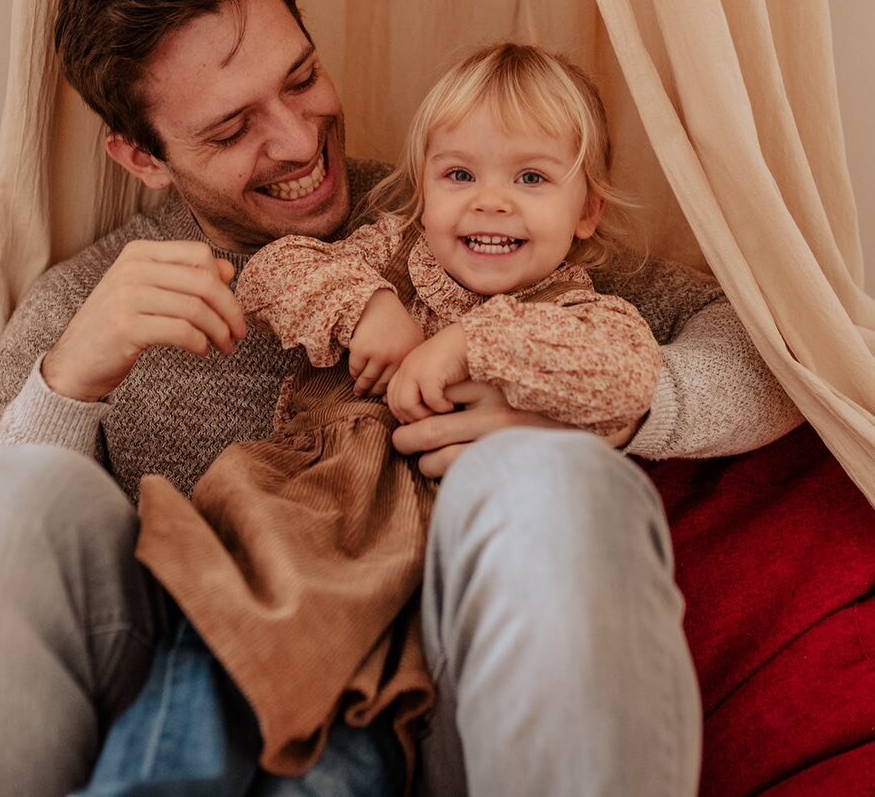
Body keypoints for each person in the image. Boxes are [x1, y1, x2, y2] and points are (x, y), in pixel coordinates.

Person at [0, 0, 803, 797]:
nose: (299, 139)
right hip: (186, 690)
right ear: (141, 156)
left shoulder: (464, 220)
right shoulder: (88, 302)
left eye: (301, 78)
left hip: (426, 702)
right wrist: (71, 380)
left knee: (552, 476)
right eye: (230, 128)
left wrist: (603, 406)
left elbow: (772, 353)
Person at [81, 42, 665, 797]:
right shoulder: (387, 254)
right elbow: (273, 272)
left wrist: (469, 341)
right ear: (421, 189)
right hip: (297, 529)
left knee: (337, 765)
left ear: (588, 209)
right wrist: (369, 308)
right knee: (190, 730)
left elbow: (626, 376)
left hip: (407, 611)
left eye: (530, 177)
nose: (490, 201)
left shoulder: (591, 315)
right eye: (459, 174)